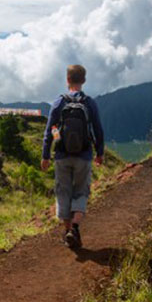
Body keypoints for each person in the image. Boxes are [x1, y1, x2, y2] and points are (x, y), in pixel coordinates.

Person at [41, 64, 105, 249]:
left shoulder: (59, 102)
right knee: (81, 191)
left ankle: (68, 230)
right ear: (84, 80)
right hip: (84, 155)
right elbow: (98, 130)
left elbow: (50, 130)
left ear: (67, 79)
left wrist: (46, 155)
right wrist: (99, 153)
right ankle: (75, 227)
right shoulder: (89, 102)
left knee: (63, 191)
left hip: (62, 155)